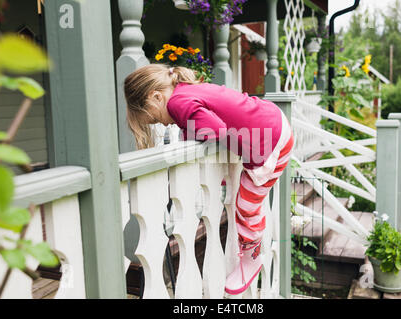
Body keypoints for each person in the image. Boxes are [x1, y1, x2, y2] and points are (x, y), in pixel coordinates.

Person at [123, 63, 294, 295]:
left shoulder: (177, 102)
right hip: (272, 121)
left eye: (155, 119)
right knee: (242, 195)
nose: (163, 124)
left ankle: (251, 258)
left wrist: (187, 135)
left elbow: (215, 129)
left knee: (246, 206)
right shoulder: (184, 91)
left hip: (270, 143)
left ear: (156, 97)